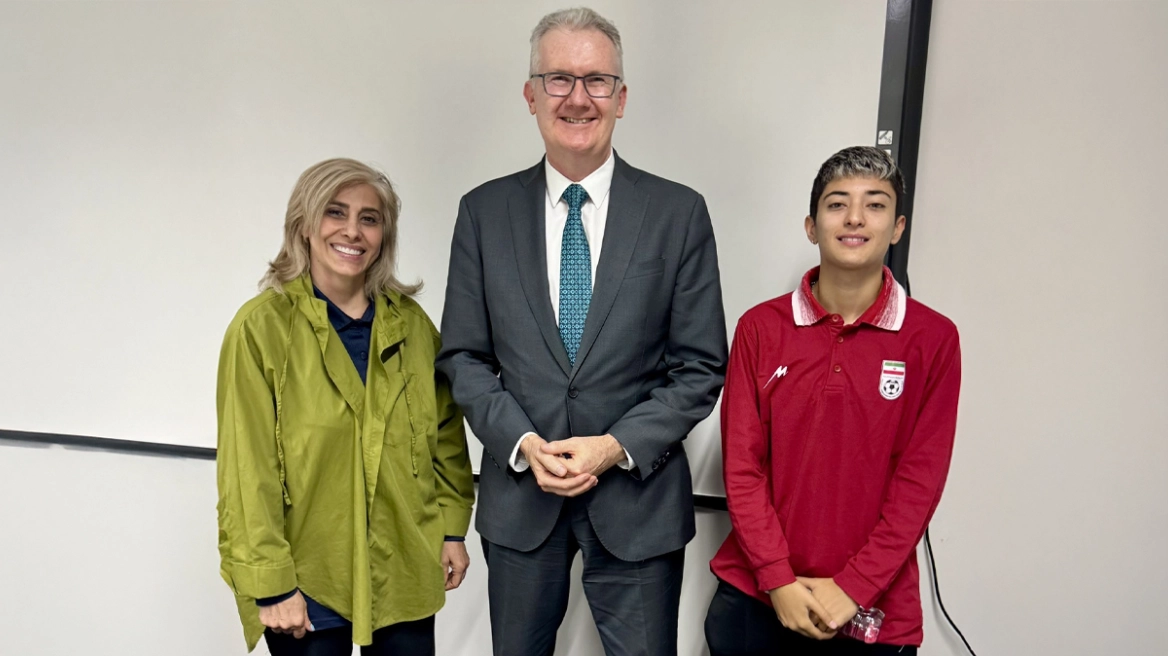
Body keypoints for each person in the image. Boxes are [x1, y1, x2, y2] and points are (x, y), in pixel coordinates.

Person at [436, 7, 727, 656]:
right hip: (521, 497)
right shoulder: (483, 212)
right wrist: (522, 442)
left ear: (621, 98)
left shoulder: (678, 213)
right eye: (558, 79)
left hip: (638, 502)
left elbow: (701, 366)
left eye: (596, 80)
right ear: (530, 94)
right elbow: (464, 357)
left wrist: (613, 447)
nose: (577, 97)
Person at [704, 146, 961, 655]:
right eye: (837, 203)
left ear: (898, 227)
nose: (855, 218)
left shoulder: (933, 339)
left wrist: (854, 586)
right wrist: (777, 579)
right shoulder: (760, 328)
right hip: (757, 597)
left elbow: (920, 481)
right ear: (811, 225)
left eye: (875, 204)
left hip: (872, 609)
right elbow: (742, 467)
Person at [216, 158, 475, 655]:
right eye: (335, 212)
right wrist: (271, 583)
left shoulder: (413, 327)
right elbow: (247, 471)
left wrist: (451, 528)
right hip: (308, 575)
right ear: (305, 225)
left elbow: (446, 435)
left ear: (383, 236)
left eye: (369, 219)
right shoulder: (260, 330)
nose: (352, 231)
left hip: (403, 562)